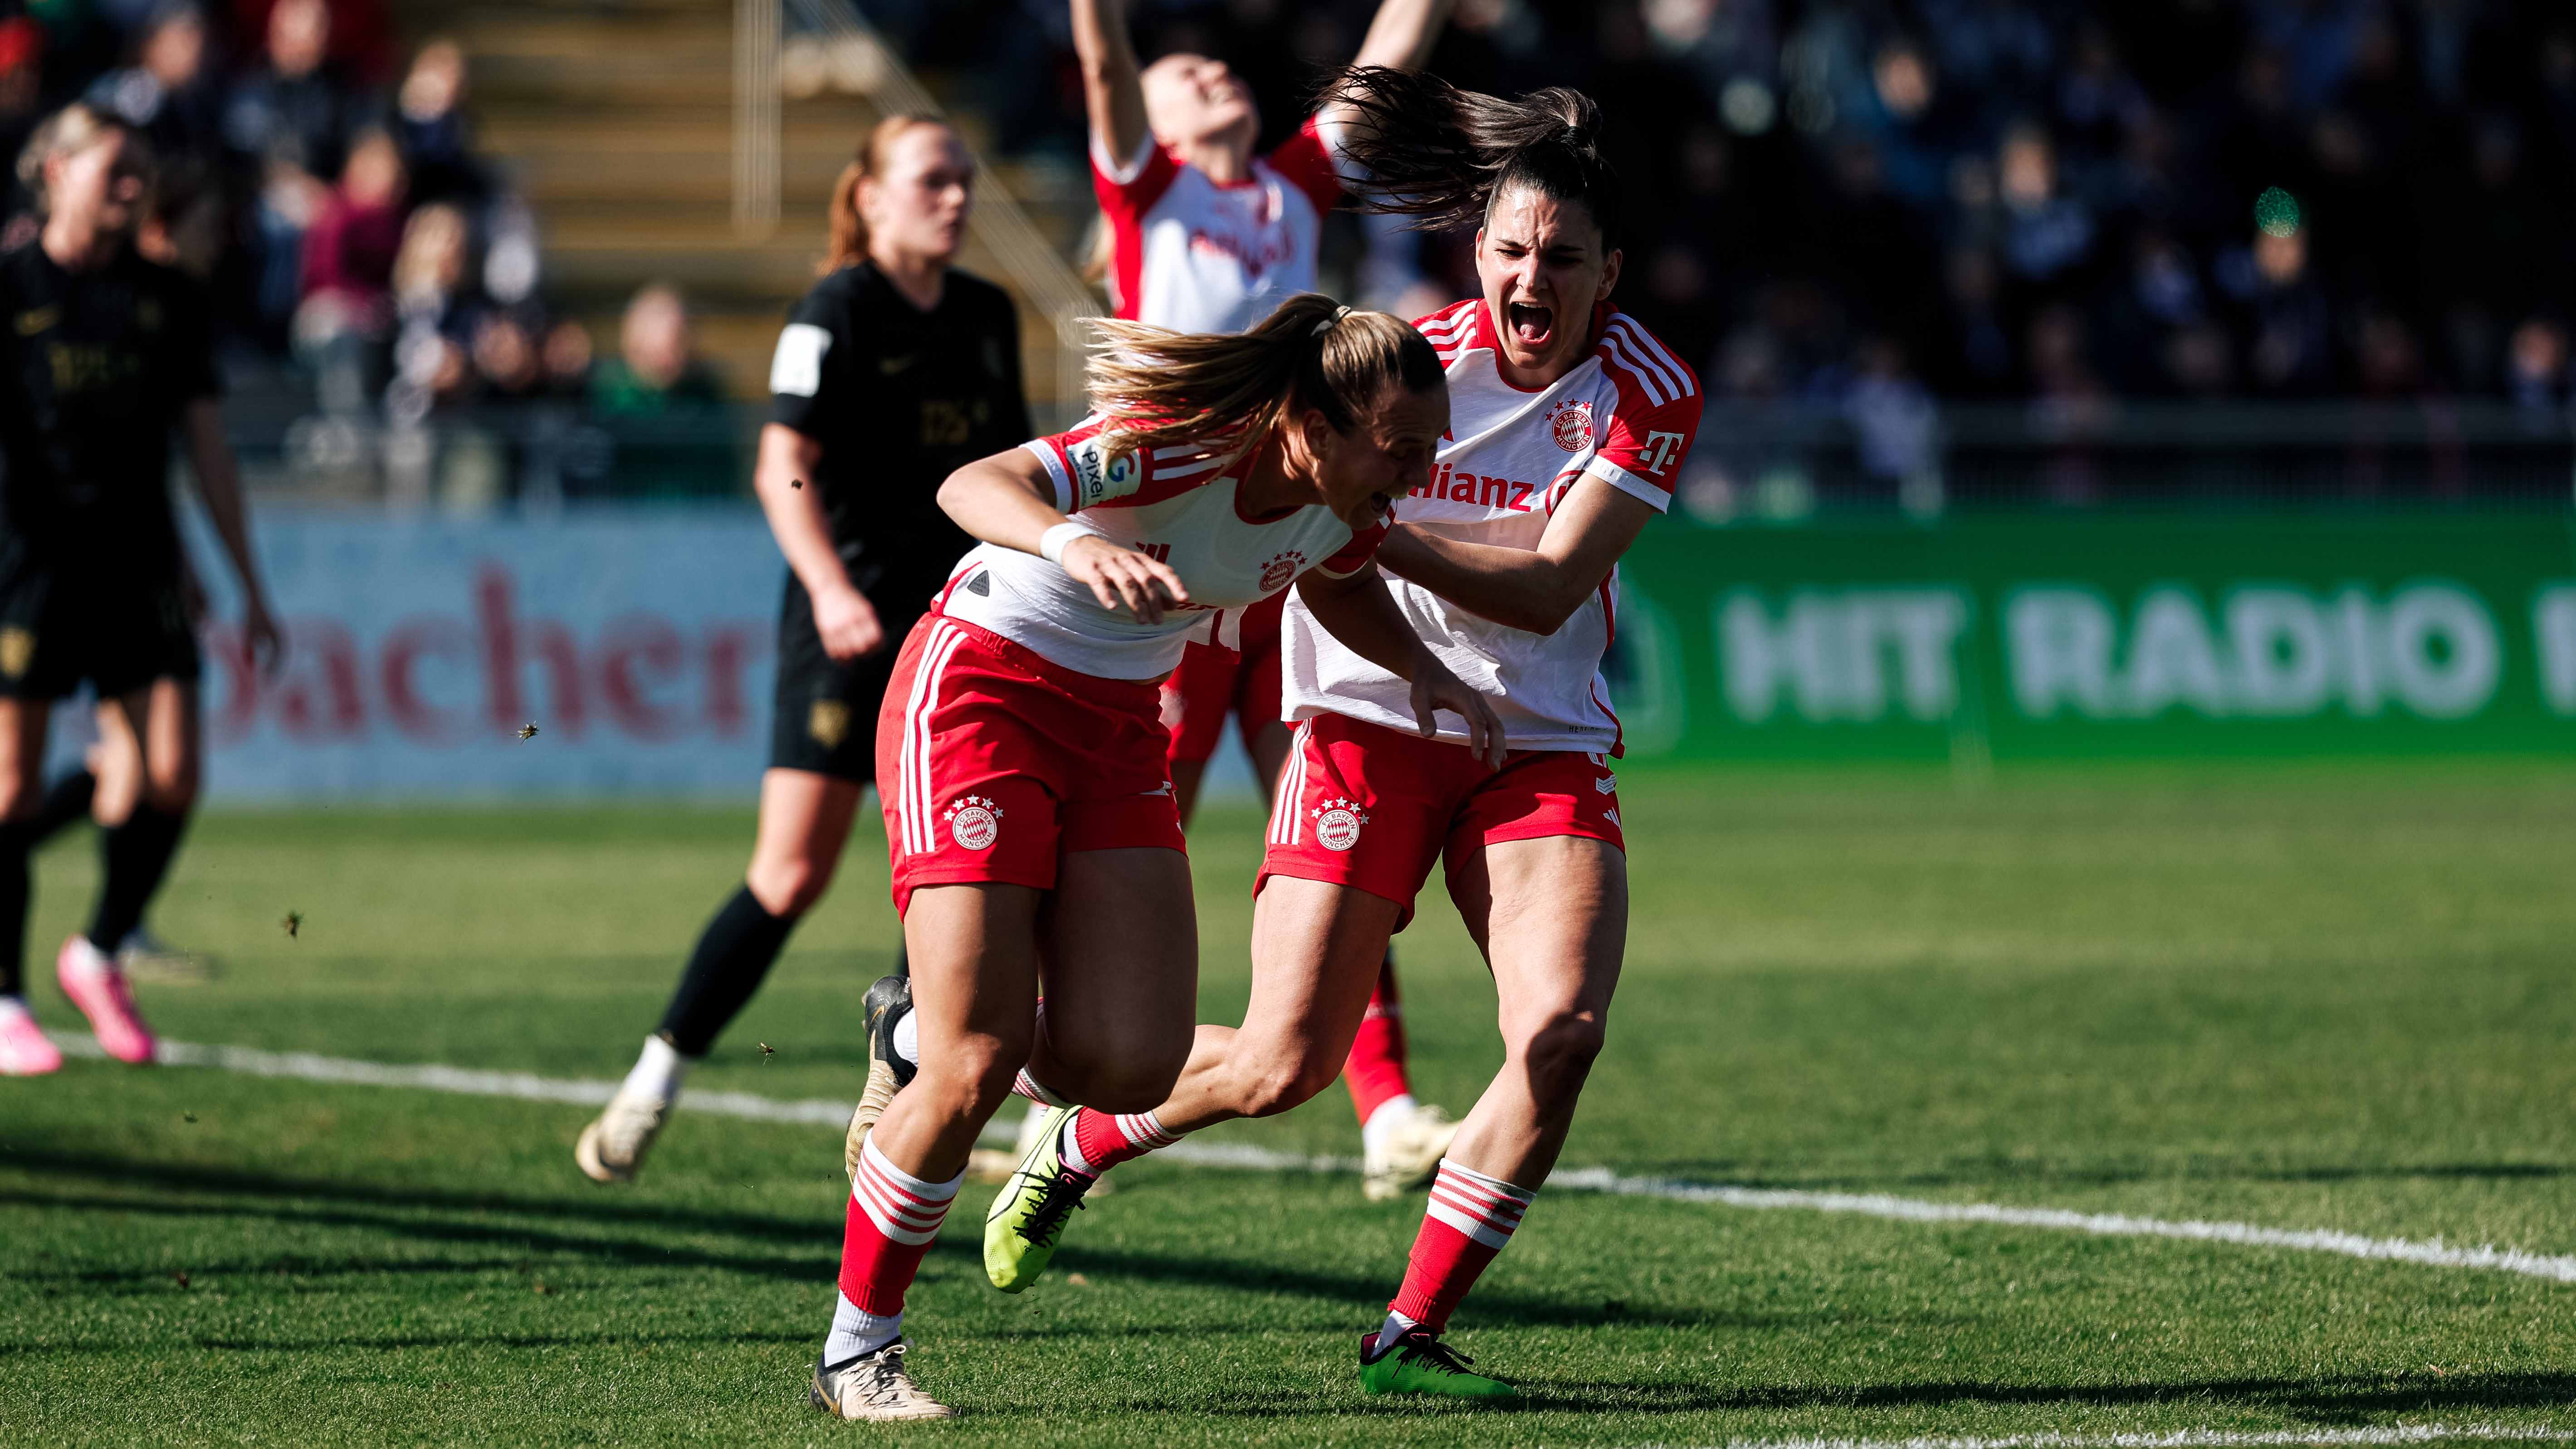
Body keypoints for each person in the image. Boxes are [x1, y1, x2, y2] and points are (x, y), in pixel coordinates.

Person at [982, 69, 1702, 1401]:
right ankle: (1064, 1133)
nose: (1531, 278)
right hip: (1369, 721)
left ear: (1613, 273)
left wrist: (1375, 523)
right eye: (1510, 250)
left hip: (1536, 740)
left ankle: (1407, 1334)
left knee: (1563, 1034)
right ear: (1475, 254)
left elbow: (1550, 585)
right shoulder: (1405, 369)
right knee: (1278, 1066)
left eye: (1562, 257)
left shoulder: (1650, 391)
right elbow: (1300, 524)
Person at [808, 292, 1498, 1421]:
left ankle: (909, 1030)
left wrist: (1418, 667)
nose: (1415, 476)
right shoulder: (1178, 442)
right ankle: (857, 1352)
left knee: (1130, 1063)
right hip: (979, 689)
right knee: (979, 1061)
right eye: (1400, 449)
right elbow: (971, 486)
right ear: (1315, 429)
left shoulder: (1339, 504)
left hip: (1122, 724)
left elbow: (1341, 572)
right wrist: (1073, 538)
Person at [1039, 0, 1463, 1199]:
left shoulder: (1290, 188)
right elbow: (1101, 57)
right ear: (1153, 110)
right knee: (1133, 839)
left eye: (1216, 59)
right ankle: (1058, 1073)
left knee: (1334, 825)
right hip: (1174, 572)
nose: (1210, 68)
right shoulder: (1147, 188)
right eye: (1182, 69)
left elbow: (1387, 58)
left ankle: (1386, 1106)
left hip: (1279, 564)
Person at [571, 115, 1029, 1181]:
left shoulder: (986, 313)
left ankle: (905, 1058)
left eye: (964, 180)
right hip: (848, 620)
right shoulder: (835, 308)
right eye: (931, 181)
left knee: (974, 862)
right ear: (869, 198)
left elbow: (1014, 465)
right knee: (790, 872)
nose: (955, 198)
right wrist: (829, 587)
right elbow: (781, 463)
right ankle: (656, 1076)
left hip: (961, 621)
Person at [0, 105, 285, 1077]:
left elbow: (205, 444)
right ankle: (5, 1000)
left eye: (143, 172)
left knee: (172, 772)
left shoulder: (164, 296)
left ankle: (99, 947)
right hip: (27, 566)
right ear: (57, 171)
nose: (135, 186)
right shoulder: (12, 287)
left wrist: (248, 582)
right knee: (8, 786)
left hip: (139, 563)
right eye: (117, 168)